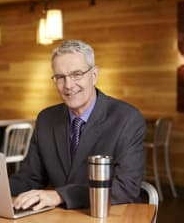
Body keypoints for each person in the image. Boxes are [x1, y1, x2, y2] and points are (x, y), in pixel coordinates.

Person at [10, 39, 146, 211]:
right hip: (62, 217)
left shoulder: (127, 119)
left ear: (94, 75)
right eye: (60, 77)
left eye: (76, 74)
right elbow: (30, 178)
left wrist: (60, 195)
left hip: (110, 215)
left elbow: (125, 188)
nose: (68, 85)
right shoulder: (46, 119)